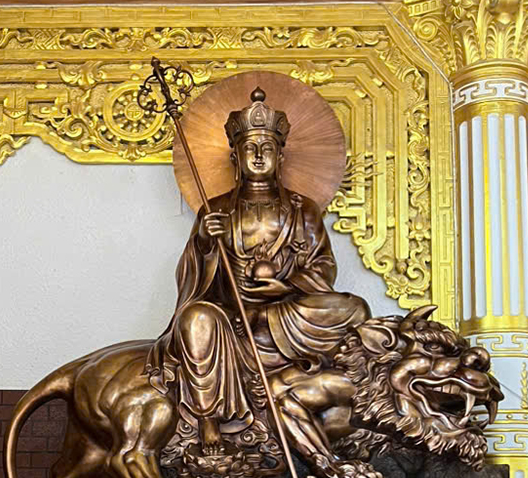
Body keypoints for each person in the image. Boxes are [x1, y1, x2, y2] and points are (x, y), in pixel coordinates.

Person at [147, 86, 370, 457]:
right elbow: (191, 278)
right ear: (235, 157)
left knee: (355, 309)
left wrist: (286, 285)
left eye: (267, 148)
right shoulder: (216, 210)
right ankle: (208, 417)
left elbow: (323, 266)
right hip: (233, 314)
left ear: (280, 157)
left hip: (285, 311)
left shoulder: (302, 210)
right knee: (195, 319)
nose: (259, 156)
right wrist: (204, 243)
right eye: (250, 148)